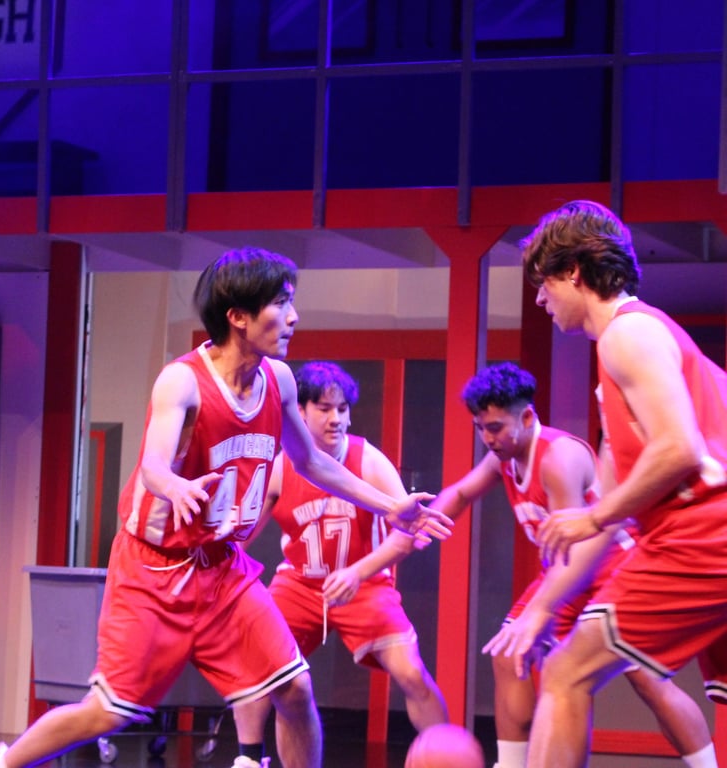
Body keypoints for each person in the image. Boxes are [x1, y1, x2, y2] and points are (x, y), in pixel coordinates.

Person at [0, 248, 452, 768]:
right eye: (281, 303)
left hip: (222, 571)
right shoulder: (183, 381)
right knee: (108, 712)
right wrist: (173, 486)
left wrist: (391, 506)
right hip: (153, 571)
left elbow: (311, 462)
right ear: (238, 316)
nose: (293, 317)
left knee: (295, 689)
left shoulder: (280, 381)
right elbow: (153, 463)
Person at [494, 199, 727, 768]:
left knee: (568, 674)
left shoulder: (629, 333)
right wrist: (543, 607)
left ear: (574, 271)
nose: (540, 299)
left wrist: (594, 516)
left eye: (545, 283)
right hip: (701, 538)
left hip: (703, 536)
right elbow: (603, 516)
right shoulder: (628, 362)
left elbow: (679, 448)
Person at [430, 361, 718, 768]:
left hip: (607, 562)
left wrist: (542, 608)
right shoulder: (503, 457)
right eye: (480, 428)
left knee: (644, 677)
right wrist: (421, 523)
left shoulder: (558, 458)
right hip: (564, 570)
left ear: (526, 417)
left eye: (494, 427)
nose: (487, 438)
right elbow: (460, 494)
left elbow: (578, 548)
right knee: (509, 653)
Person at [232, 361, 448, 762]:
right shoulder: (280, 467)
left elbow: (406, 534)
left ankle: (448, 758)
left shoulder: (369, 461)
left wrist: (357, 572)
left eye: (343, 409)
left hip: (365, 584)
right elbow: (240, 537)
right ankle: (248, 756)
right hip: (299, 585)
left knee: (411, 673)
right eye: (325, 409)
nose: (336, 419)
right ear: (300, 412)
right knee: (267, 671)